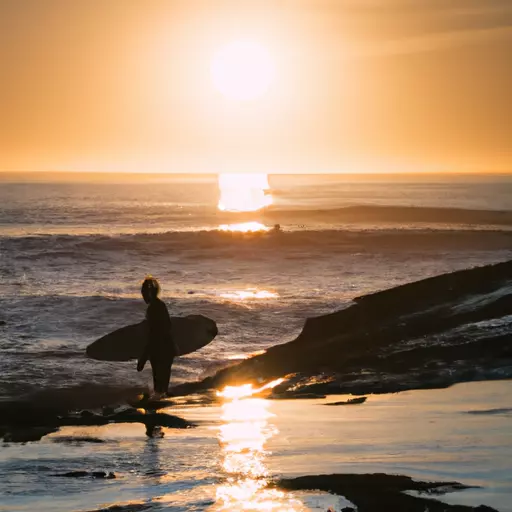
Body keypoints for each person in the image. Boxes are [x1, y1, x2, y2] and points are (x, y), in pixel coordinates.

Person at [137, 276, 176, 396]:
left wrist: (143, 357)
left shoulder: (153, 308)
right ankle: (162, 404)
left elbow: (154, 334)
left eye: (143, 293)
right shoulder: (161, 305)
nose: (143, 296)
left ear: (149, 292)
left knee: (159, 385)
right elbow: (168, 326)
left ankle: (158, 407)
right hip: (168, 347)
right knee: (163, 385)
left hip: (159, 349)